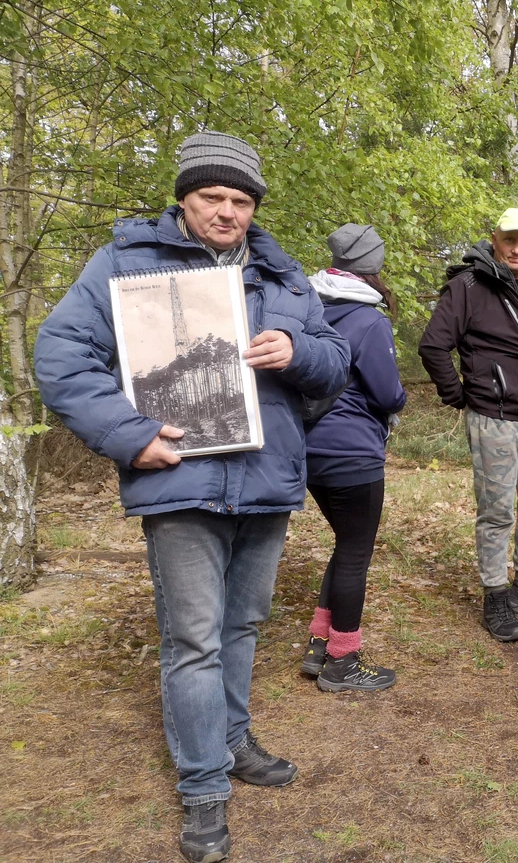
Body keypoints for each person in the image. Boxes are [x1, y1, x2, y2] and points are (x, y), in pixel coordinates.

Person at [34, 131, 351, 863]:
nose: (227, 212)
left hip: (266, 482)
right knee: (195, 639)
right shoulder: (124, 263)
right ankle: (205, 789)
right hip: (179, 482)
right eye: (213, 196)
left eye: (241, 200)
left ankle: (234, 744)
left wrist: (299, 354)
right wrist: (126, 434)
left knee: (243, 628)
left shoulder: (283, 276)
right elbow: (61, 354)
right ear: (184, 196)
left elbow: (335, 365)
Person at [418, 207, 518, 643]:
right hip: (495, 420)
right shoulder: (468, 285)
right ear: (495, 239)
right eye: (510, 240)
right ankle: (495, 596)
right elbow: (433, 346)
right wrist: (460, 395)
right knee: (497, 511)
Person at [300, 224, 407, 692]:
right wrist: (400, 401)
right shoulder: (369, 320)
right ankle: (343, 661)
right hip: (353, 453)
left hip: (307, 450)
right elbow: (388, 393)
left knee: (346, 546)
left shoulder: (307, 309)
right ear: (374, 265)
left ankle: (320, 645)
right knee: (355, 554)